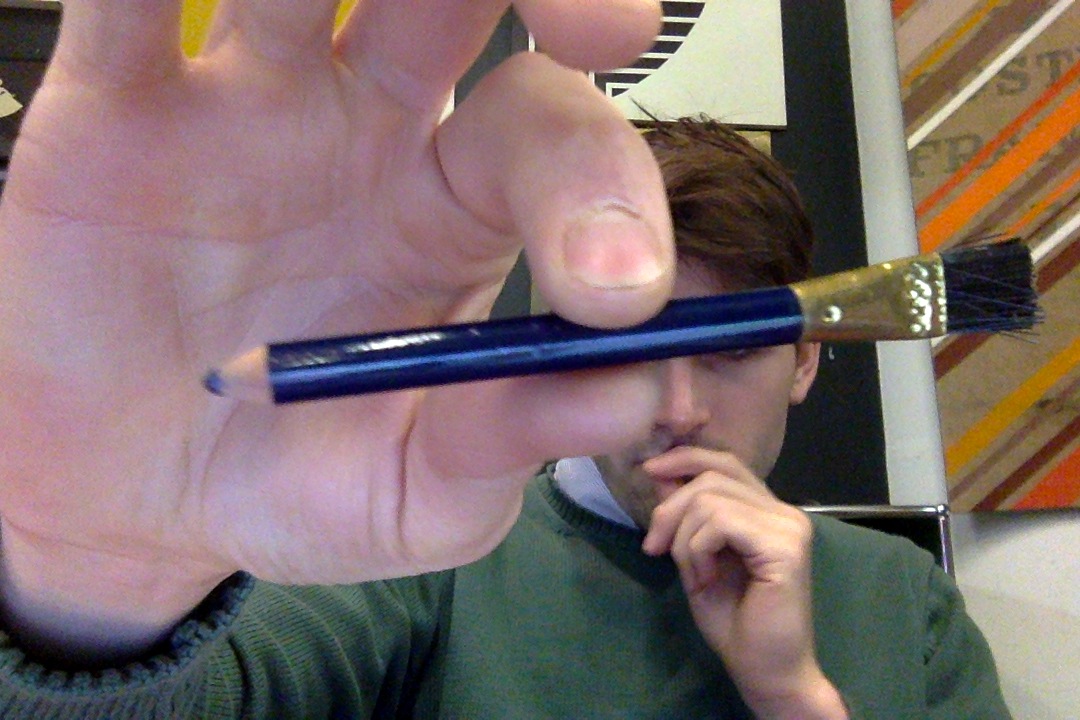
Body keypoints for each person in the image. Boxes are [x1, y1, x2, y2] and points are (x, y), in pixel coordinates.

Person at [0, 2, 1009, 718]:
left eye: (734, 348)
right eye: (624, 346)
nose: (677, 408)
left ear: (806, 363)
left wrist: (791, 698)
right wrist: (96, 587)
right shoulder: (424, 554)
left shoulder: (904, 600)